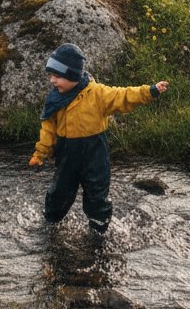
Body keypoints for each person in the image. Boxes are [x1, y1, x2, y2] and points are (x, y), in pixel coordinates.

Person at [28, 43, 168, 235]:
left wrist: (149, 91)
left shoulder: (97, 94)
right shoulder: (55, 100)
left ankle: (99, 228)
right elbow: (48, 129)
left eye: (57, 76)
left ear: (72, 75)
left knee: (97, 192)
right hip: (67, 155)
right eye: (51, 75)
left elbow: (123, 96)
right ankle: (51, 224)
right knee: (59, 191)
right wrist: (40, 153)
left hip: (94, 153)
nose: (52, 80)